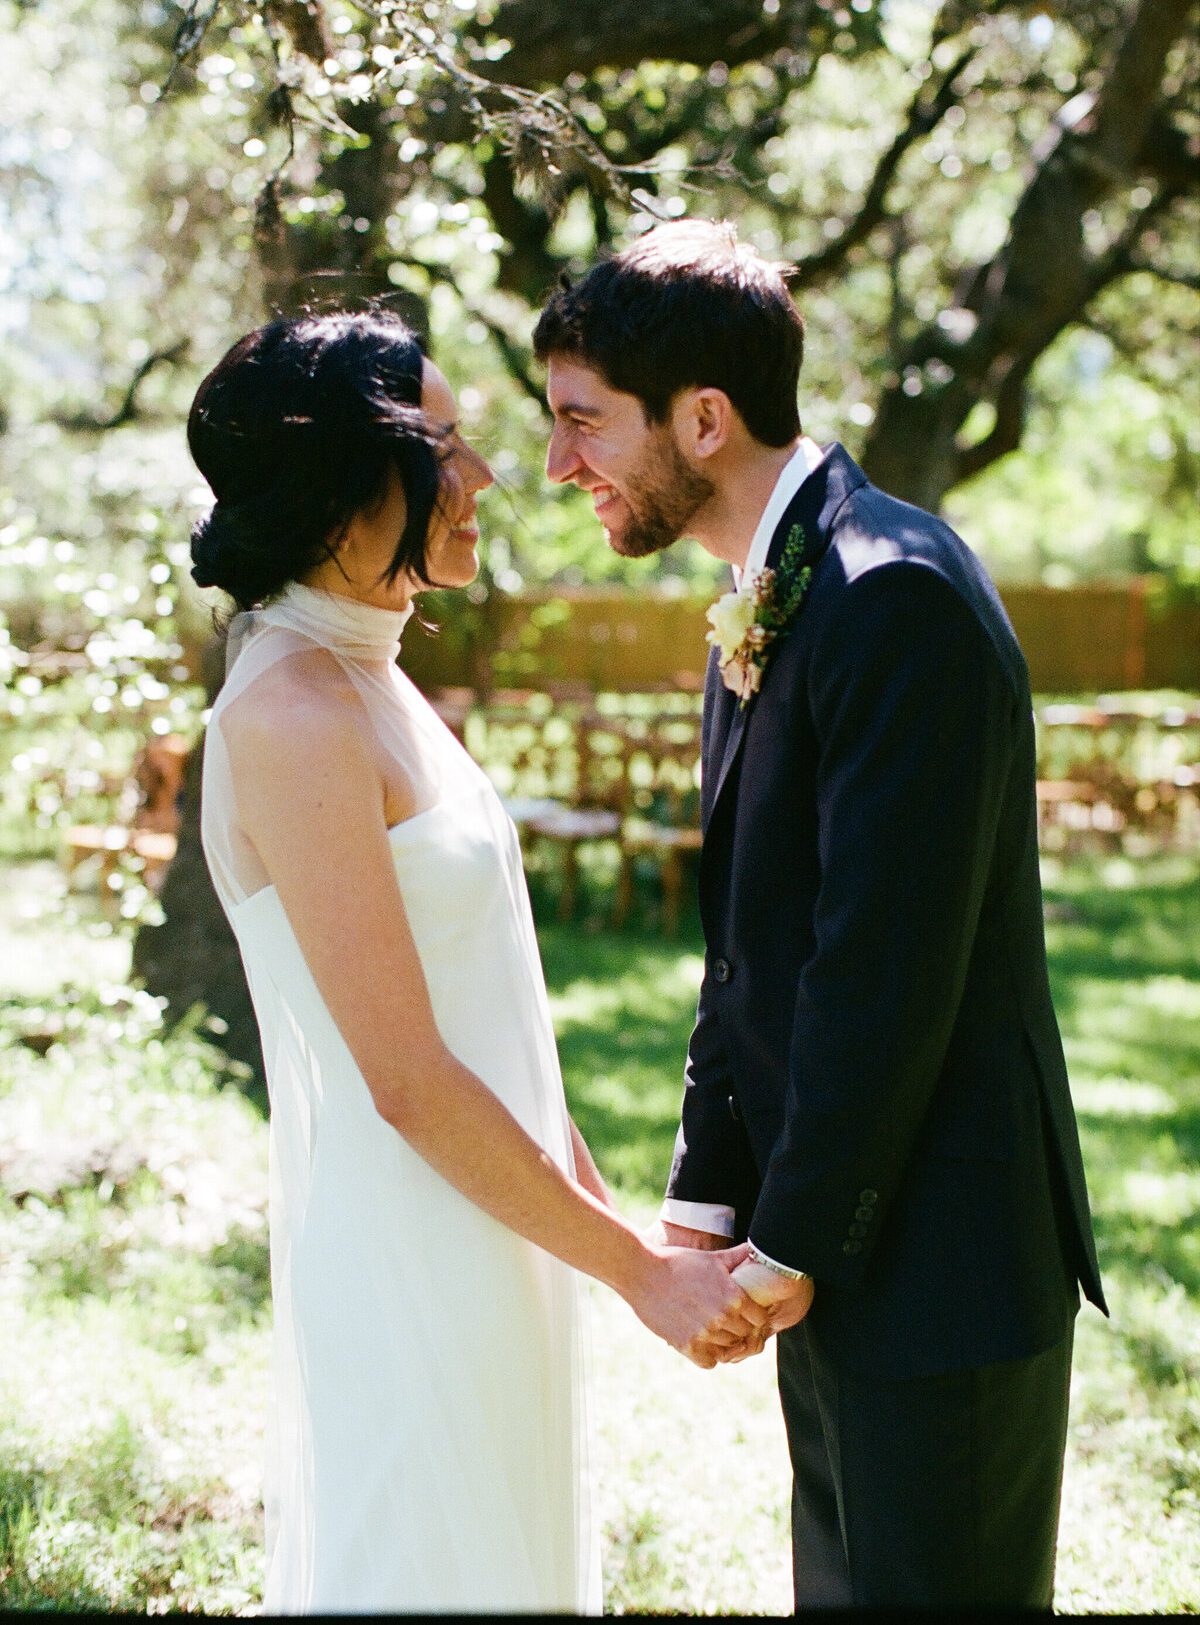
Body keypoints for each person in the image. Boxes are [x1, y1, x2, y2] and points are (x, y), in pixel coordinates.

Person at [534, 220, 1108, 1610]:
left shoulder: (890, 596)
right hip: (845, 1253)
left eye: (581, 421)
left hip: (946, 1260)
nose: (561, 465)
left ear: (705, 418)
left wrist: (784, 1248)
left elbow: (881, 971)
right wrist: (708, 1201)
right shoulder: (767, 601)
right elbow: (749, 945)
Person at [186, 310, 763, 1615]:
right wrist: (635, 1272)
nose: (489, 474)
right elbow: (404, 1074)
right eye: (442, 445)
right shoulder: (290, 710)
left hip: (497, 1238)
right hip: (410, 1260)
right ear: (340, 477)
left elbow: (498, 1016)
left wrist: (621, 1234)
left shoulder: (378, 678)